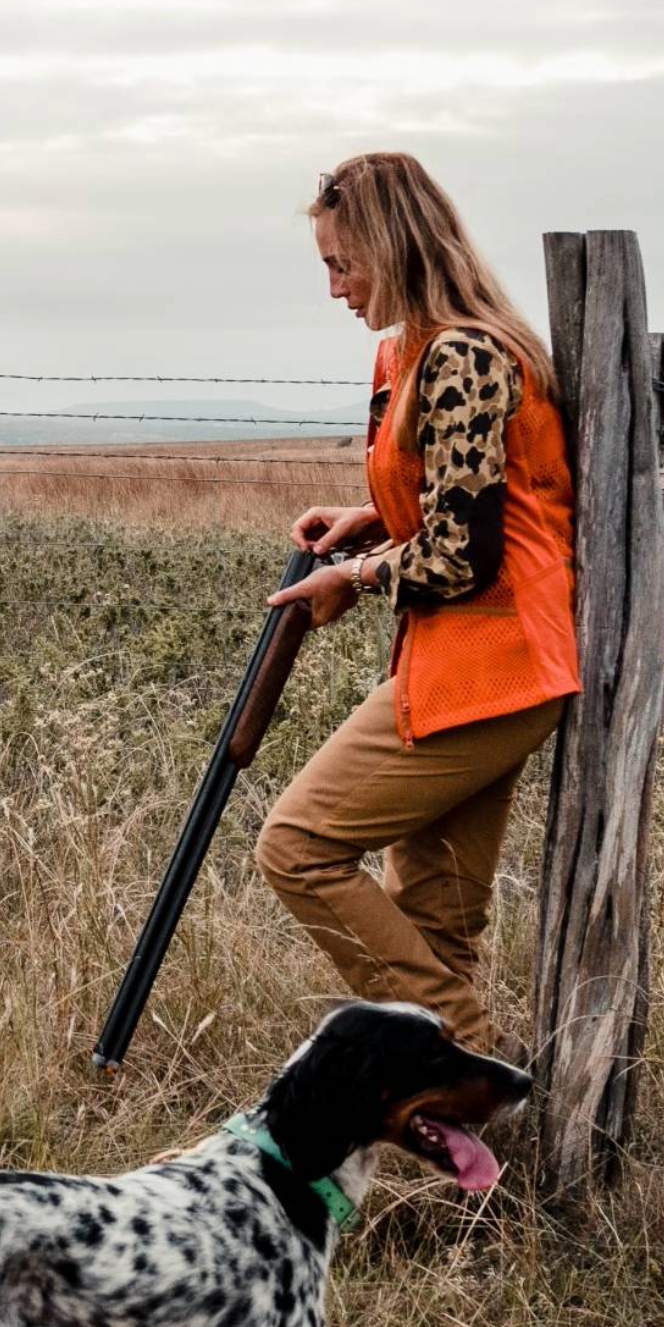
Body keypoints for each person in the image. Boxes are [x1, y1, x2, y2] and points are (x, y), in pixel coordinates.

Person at [255, 152, 576, 1047]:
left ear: (391, 246)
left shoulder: (464, 355)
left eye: (339, 262)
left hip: (497, 661)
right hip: (463, 663)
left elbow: (462, 557)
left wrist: (352, 578)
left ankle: (470, 1058)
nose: (334, 288)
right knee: (435, 925)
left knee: (299, 848)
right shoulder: (413, 351)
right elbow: (472, 496)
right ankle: (471, 1165)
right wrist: (373, 515)